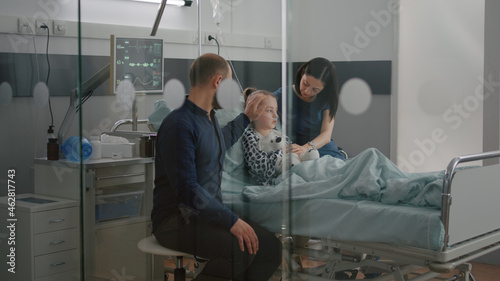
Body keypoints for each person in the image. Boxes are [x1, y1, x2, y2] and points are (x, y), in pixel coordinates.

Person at [152, 53, 281, 281]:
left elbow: (221, 139)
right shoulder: (179, 125)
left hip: (202, 215)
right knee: (240, 249)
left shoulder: (207, 118)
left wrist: (246, 117)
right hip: (175, 221)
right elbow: (188, 191)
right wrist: (231, 221)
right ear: (218, 82)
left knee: (270, 248)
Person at [242, 88, 319, 186]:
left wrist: (301, 153)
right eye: (270, 110)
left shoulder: (279, 134)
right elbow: (257, 165)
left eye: (276, 110)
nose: (276, 115)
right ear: (254, 112)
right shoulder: (250, 136)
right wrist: (282, 152)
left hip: (296, 171)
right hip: (277, 182)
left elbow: (292, 156)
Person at [273, 57, 345, 159]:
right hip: (298, 154)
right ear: (302, 73)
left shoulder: (325, 99)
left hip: (323, 150)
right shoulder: (282, 95)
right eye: (305, 83)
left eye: (315, 90)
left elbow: (326, 135)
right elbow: (260, 103)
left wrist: (306, 147)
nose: (307, 91)